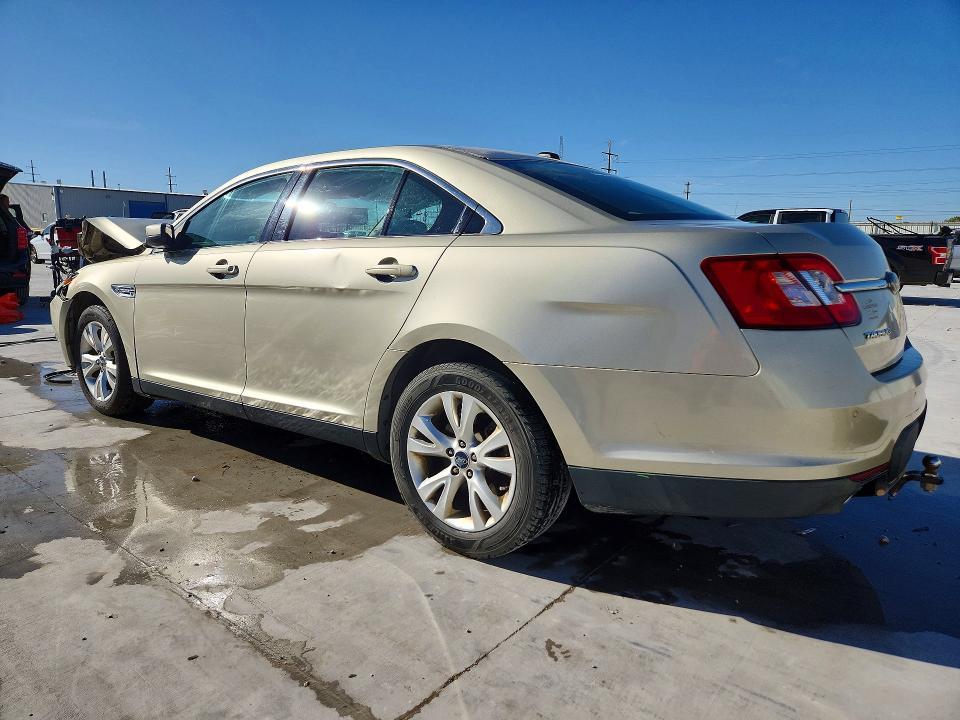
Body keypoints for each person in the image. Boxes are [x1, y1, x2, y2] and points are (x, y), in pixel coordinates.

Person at [0, 193, 20, 262]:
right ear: (2, 202)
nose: (9, 203)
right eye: (7, 201)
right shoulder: (3, 214)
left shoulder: (5, 213)